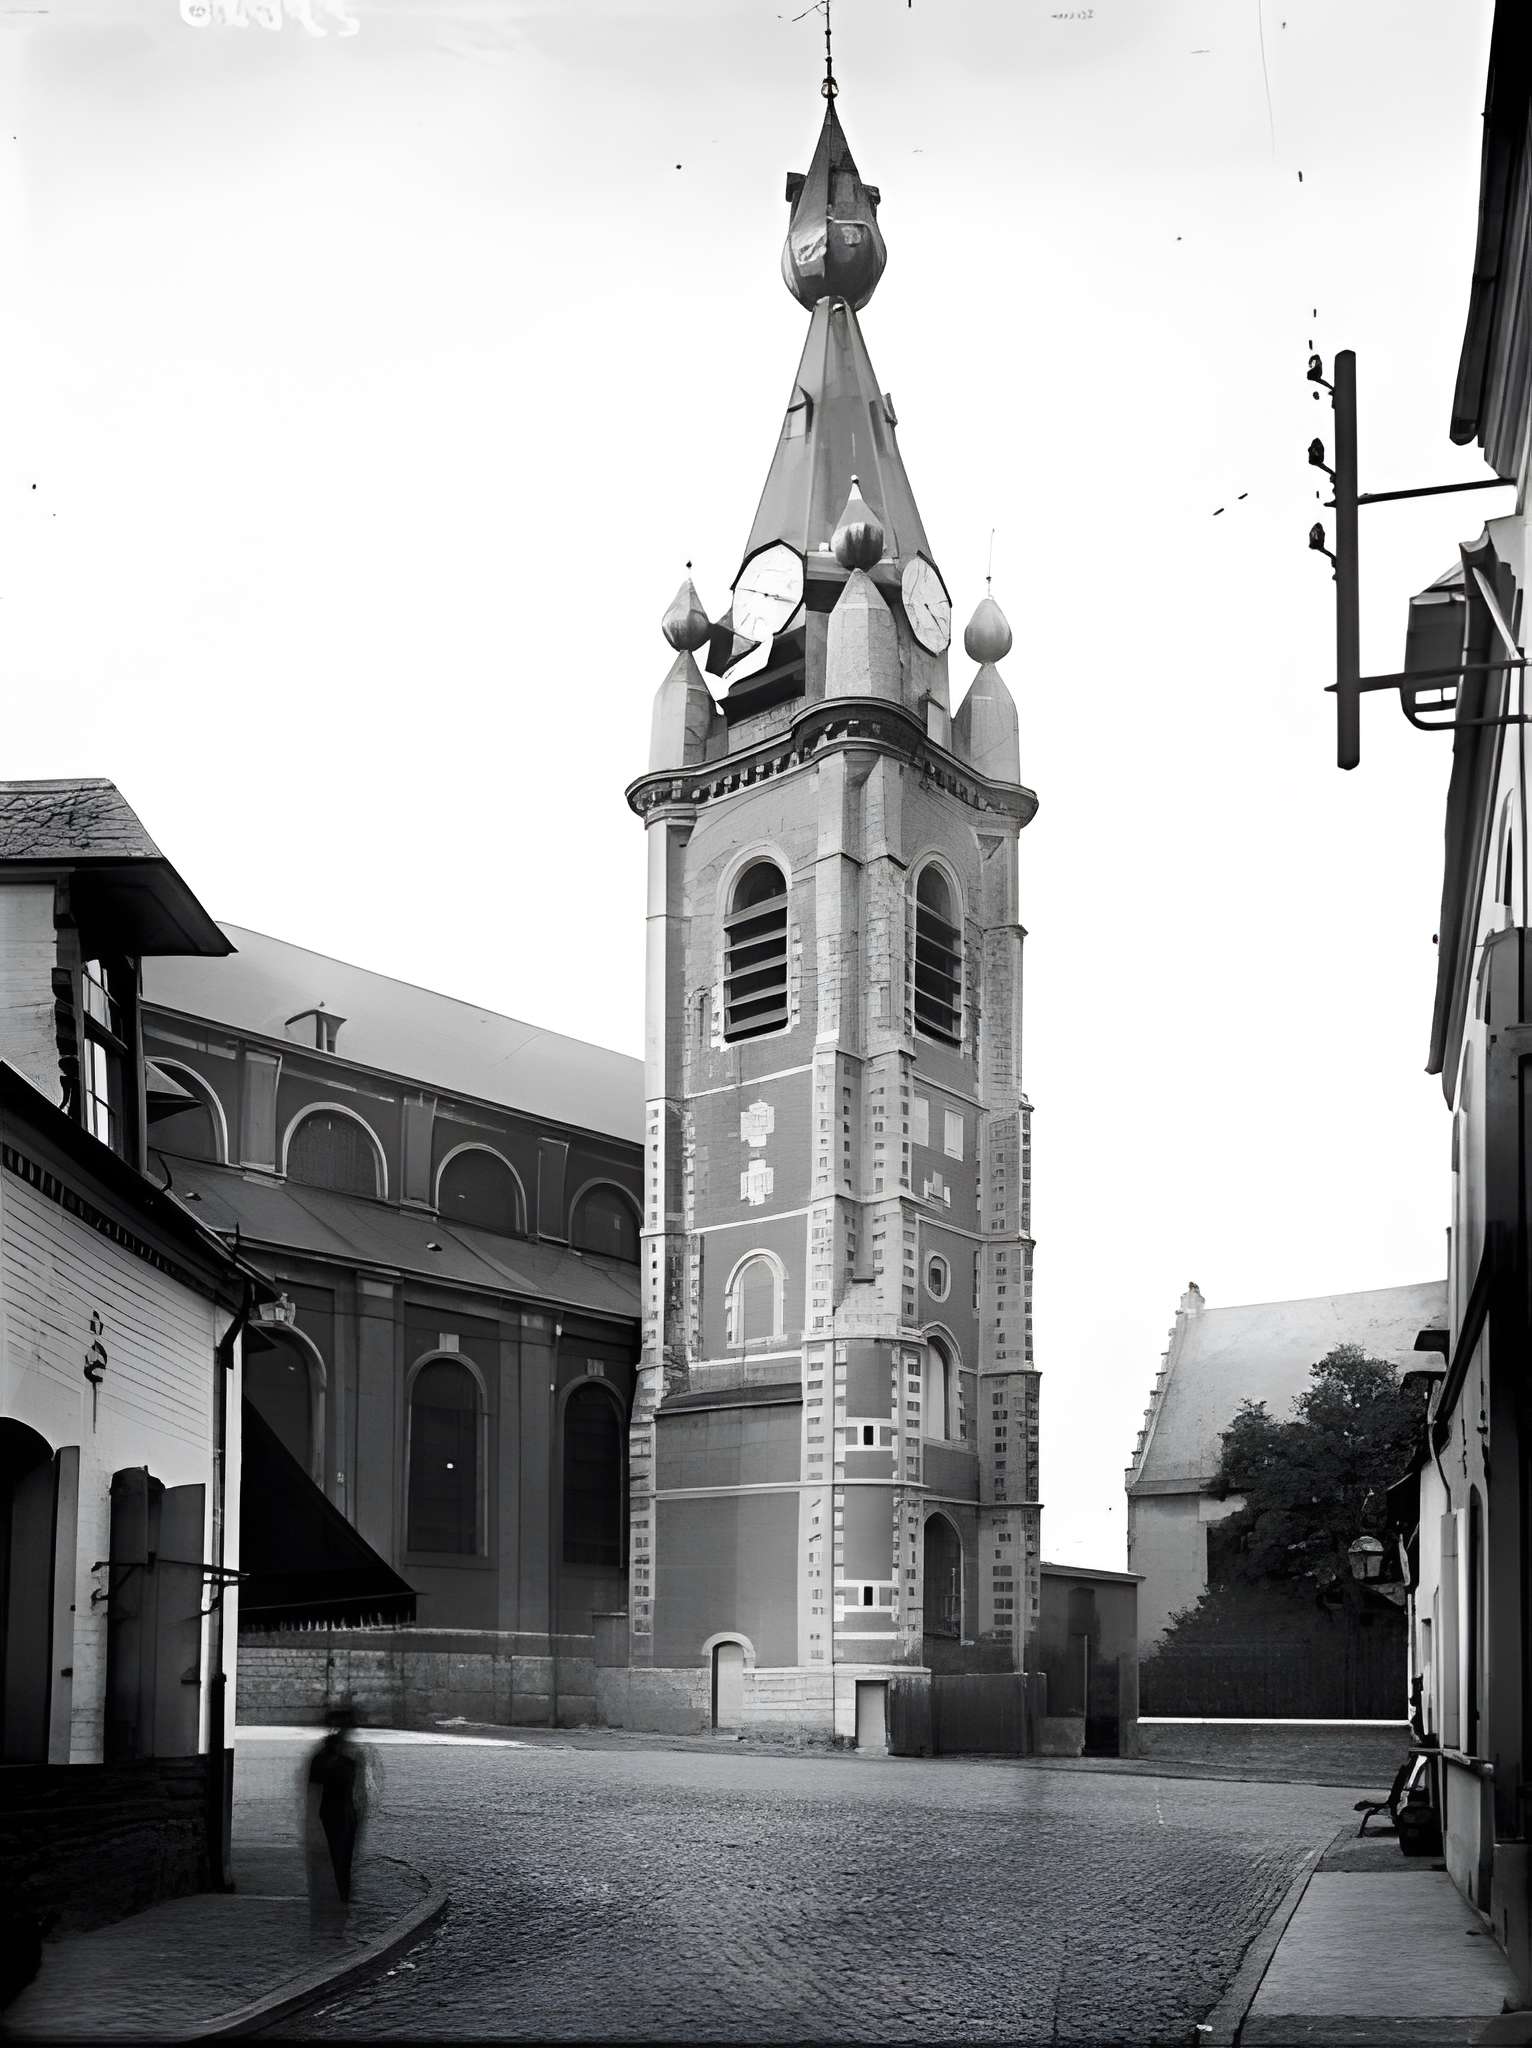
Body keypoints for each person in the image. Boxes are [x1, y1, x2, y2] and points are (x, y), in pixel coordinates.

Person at [304, 1702, 369, 1929]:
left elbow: (359, 1786)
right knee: (338, 1855)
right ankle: (340, 1898)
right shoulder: (330, 1757)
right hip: (335, 1810)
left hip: (344, 1810)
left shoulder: (345, 1755)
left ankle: (342, 1897)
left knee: (343, 1856)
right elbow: (315, 1788)